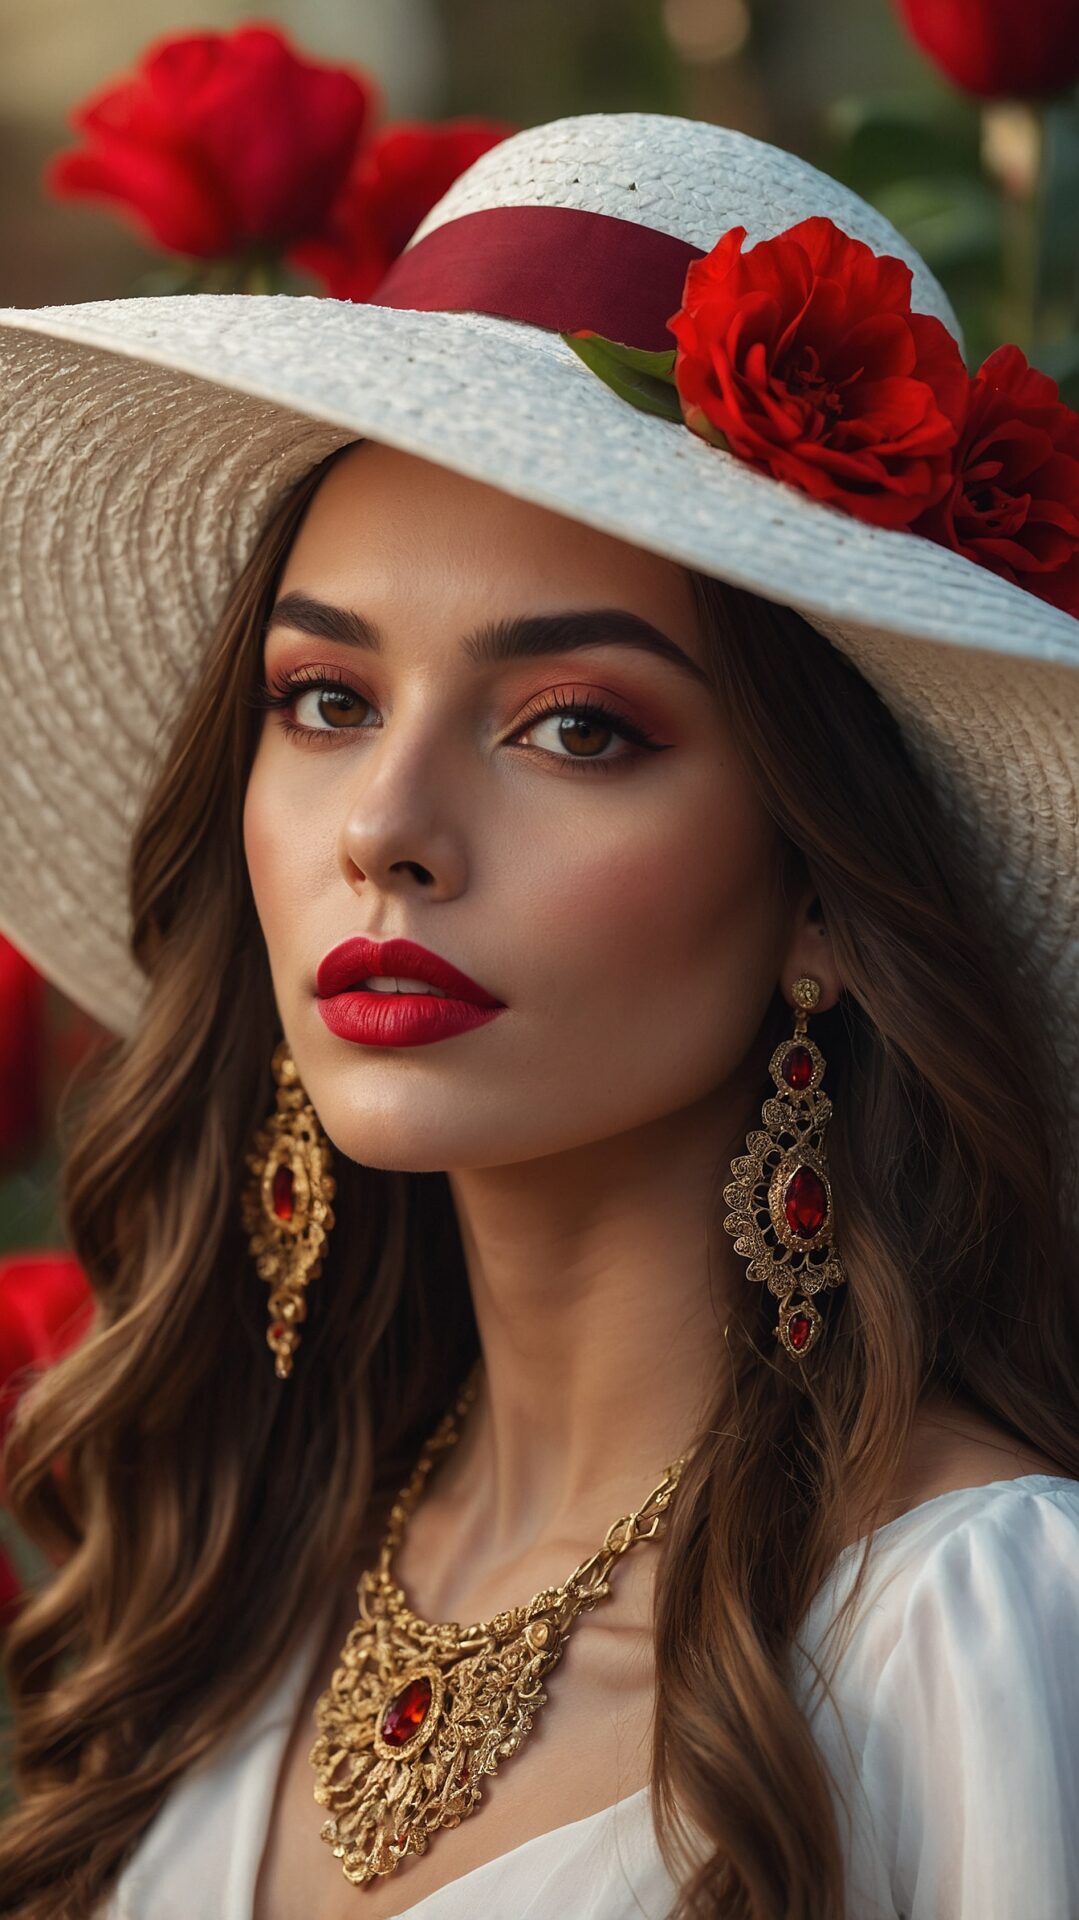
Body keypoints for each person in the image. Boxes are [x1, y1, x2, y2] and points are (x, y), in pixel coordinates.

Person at [0, 109, 1076, 1920]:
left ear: (824, 884)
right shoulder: (235, 1580)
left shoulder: (978, 1627)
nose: (387, 833)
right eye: (325, 699)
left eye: (576, 725)